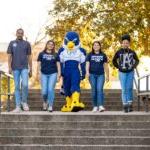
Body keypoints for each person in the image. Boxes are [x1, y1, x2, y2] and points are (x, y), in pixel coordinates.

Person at [7, 28, 32, 113]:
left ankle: (24, 102)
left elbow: (29, 57)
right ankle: (18, 106)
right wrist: (9, 67)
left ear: (23, 34)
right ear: (16, 34)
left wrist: (31, 68)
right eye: (18, 33)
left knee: (25, 85)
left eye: (21, 33)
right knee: (17, 86)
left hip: (24, 67)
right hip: (15, 68)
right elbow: (9, 56)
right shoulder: (12, 43)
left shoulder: (27, 43)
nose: (20, 34)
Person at [112, 34, 139, 113]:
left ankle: (130, 104)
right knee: (124, 89)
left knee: (129, 88)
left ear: (129, 44)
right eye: (124, 42)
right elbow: (114, 60)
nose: (125, 44)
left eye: (127, 43)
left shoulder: (132, 52)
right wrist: (118, 67)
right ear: (121, 43)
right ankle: (125, 105)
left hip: (130, 72)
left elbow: (137, 60)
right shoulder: (118, 52)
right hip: (122, 72)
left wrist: (133, 66)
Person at [37, 40, 61, 112]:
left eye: (52, 44)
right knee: (44, 91)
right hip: (43, 74)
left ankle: (50, 105)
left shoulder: (56, 54)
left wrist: (59, 74)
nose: (50, 45)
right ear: (46, 45)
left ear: (53, 46)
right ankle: (45, 102)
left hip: (53, 73)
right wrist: (38, 74)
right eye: (49, 44)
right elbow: (38, 65)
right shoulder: (41, 54)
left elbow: (58, 65)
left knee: (50, 89)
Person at [86, 41, 109, 112]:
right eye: (94, 45)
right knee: (94, 90)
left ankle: (101, 106)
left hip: (101, 75)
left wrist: (108, 75)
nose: (96, 46)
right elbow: (87, 64)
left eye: (97, 45)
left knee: (99, 89)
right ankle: (95, 106)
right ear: (93, 47)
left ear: (100, 46)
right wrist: (87, 72)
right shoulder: (89, 55)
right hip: (92, 75)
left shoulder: (103, 55)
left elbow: (106, 66)